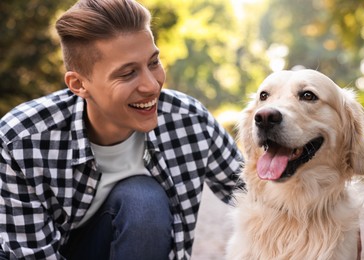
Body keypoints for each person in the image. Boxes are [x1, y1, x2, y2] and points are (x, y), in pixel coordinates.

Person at [0, 0, 242, 259]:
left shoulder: (190, 121)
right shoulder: (22, 141)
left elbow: (260, 196)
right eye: (127, 73)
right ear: (79, 84)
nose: (151, 86)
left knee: (142, 201)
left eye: (153, 63)